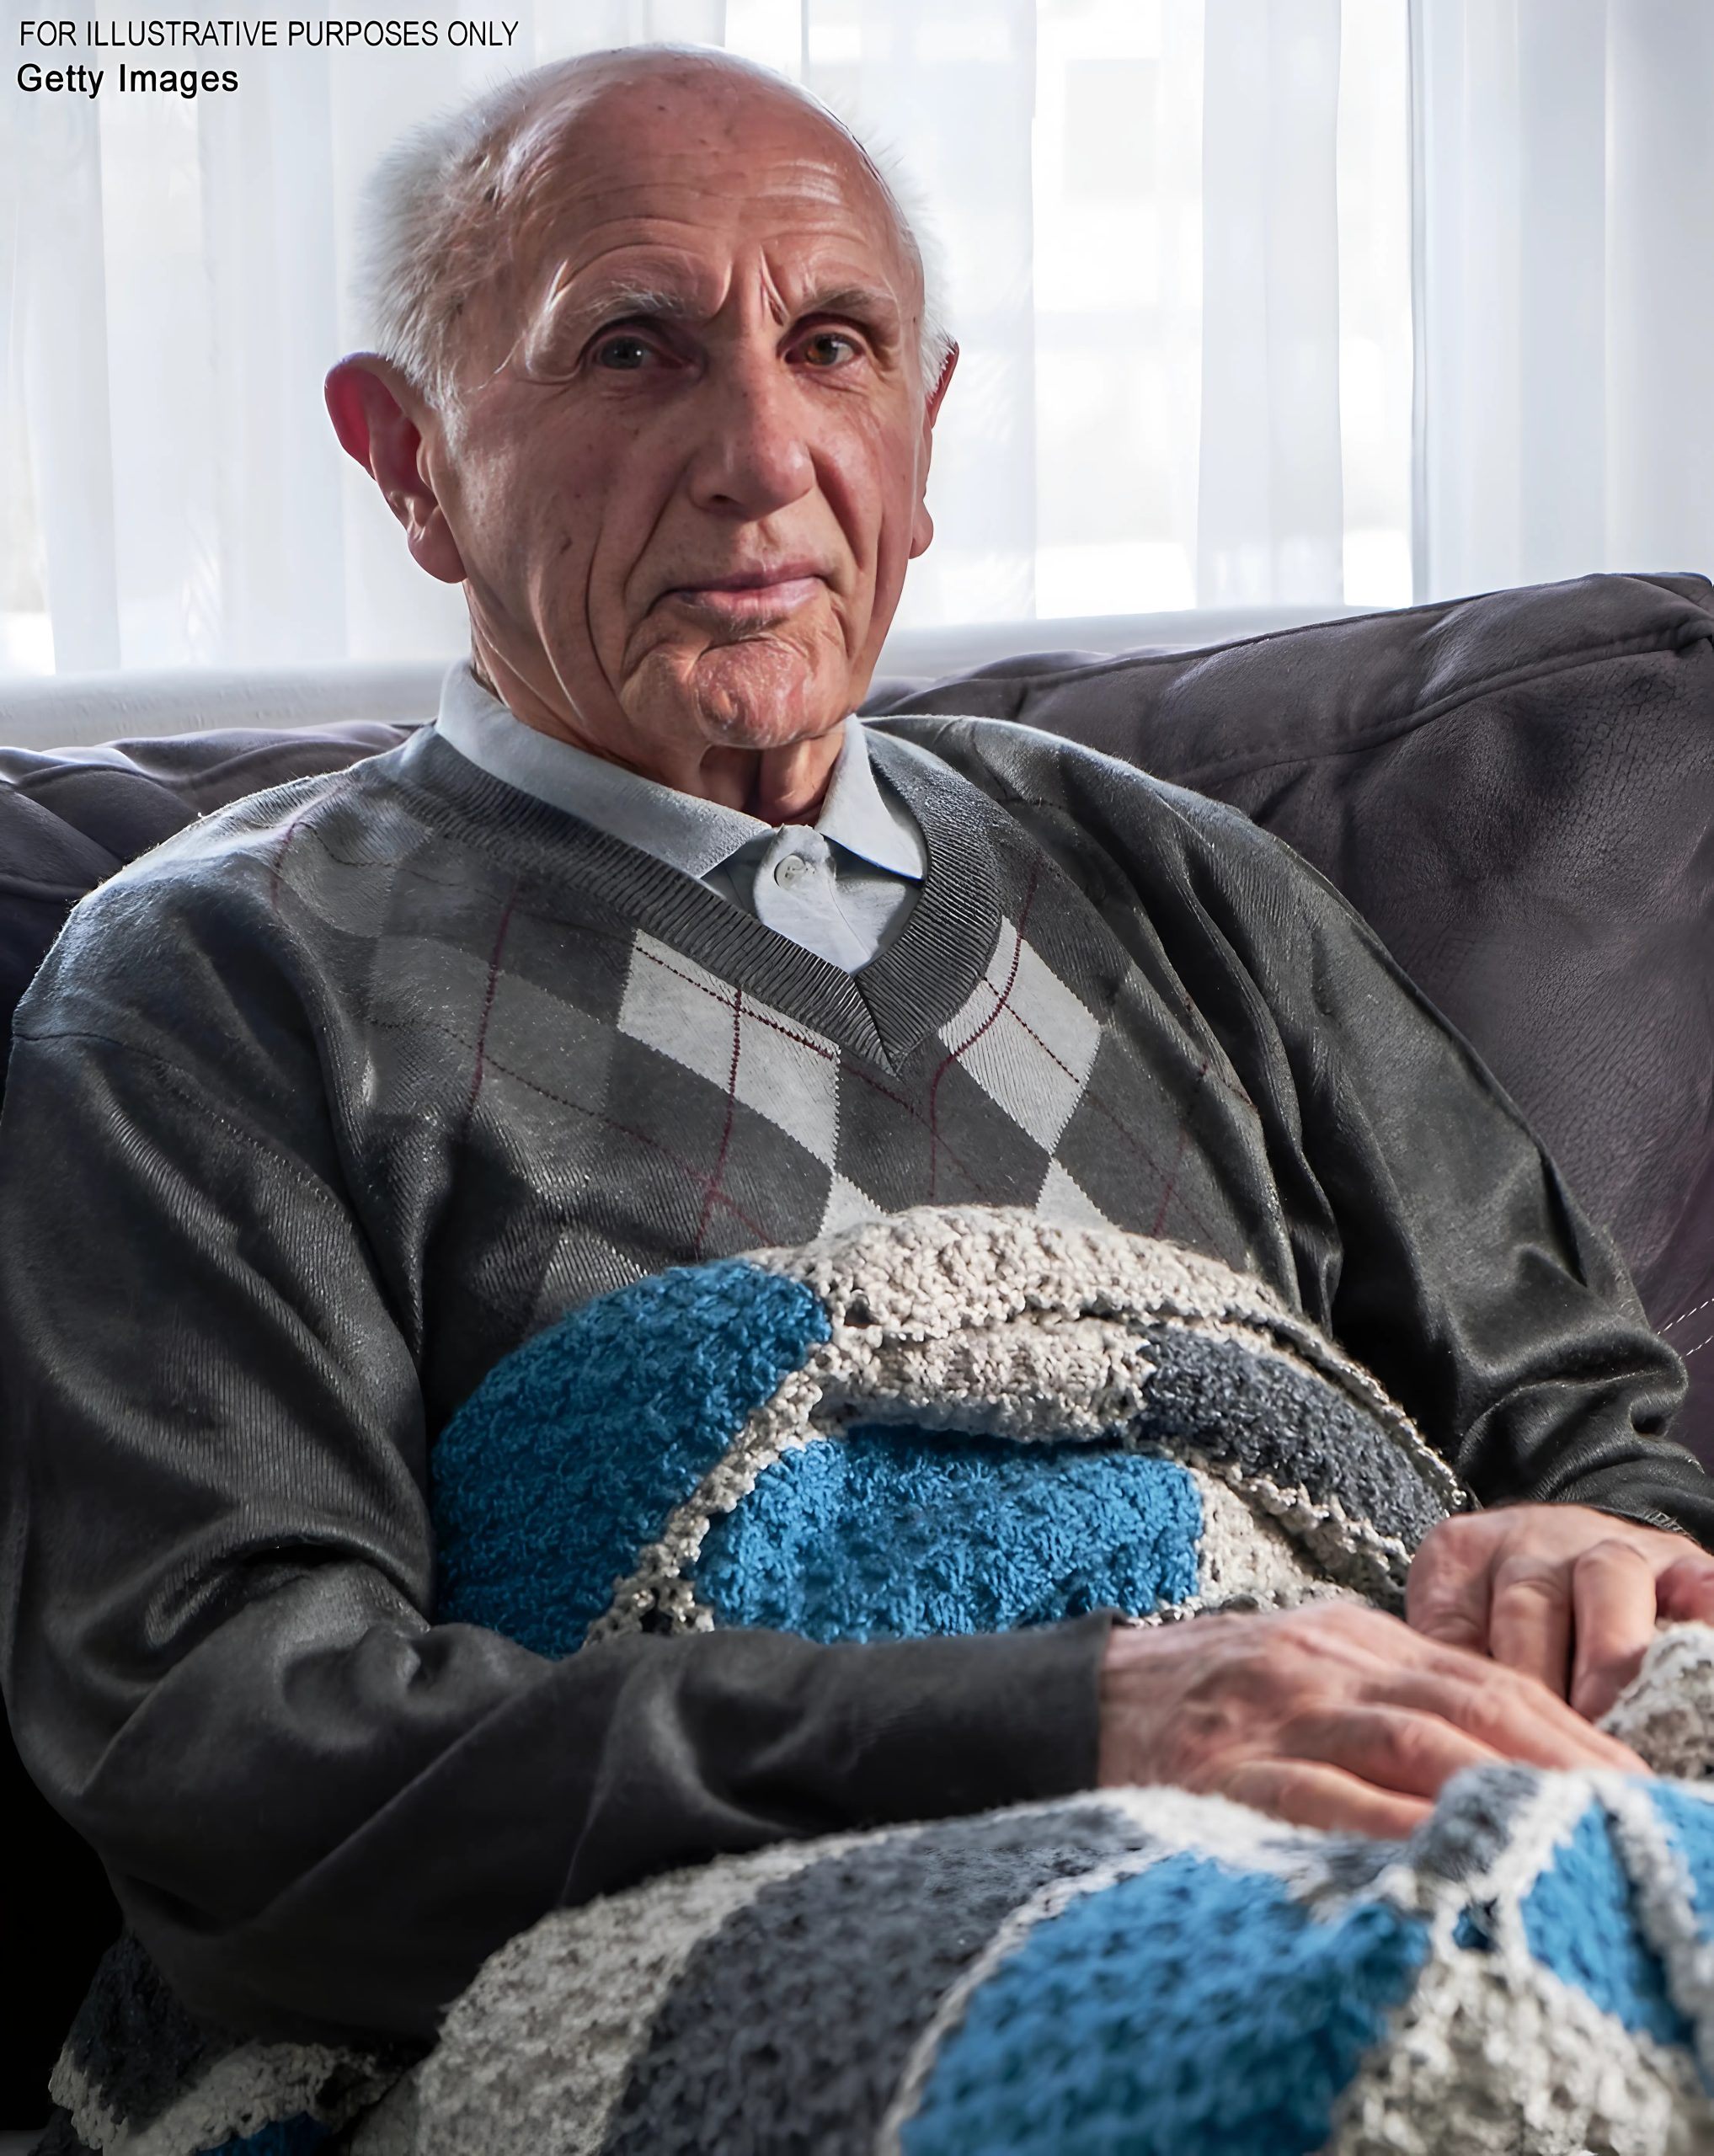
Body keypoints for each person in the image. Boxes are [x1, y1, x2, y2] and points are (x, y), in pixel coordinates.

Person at [3, 43, 1713, 2052]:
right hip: (830, 1958)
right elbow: (234, 1747)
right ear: (410, 460)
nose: (759, 452)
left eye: (832, 346)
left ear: (921, 432)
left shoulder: (1173, 874)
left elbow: (1585, 1429)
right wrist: (1078, 1719)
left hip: (1417, 1812)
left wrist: (1596, 1552)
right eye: (631, 350)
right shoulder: (217, 976)